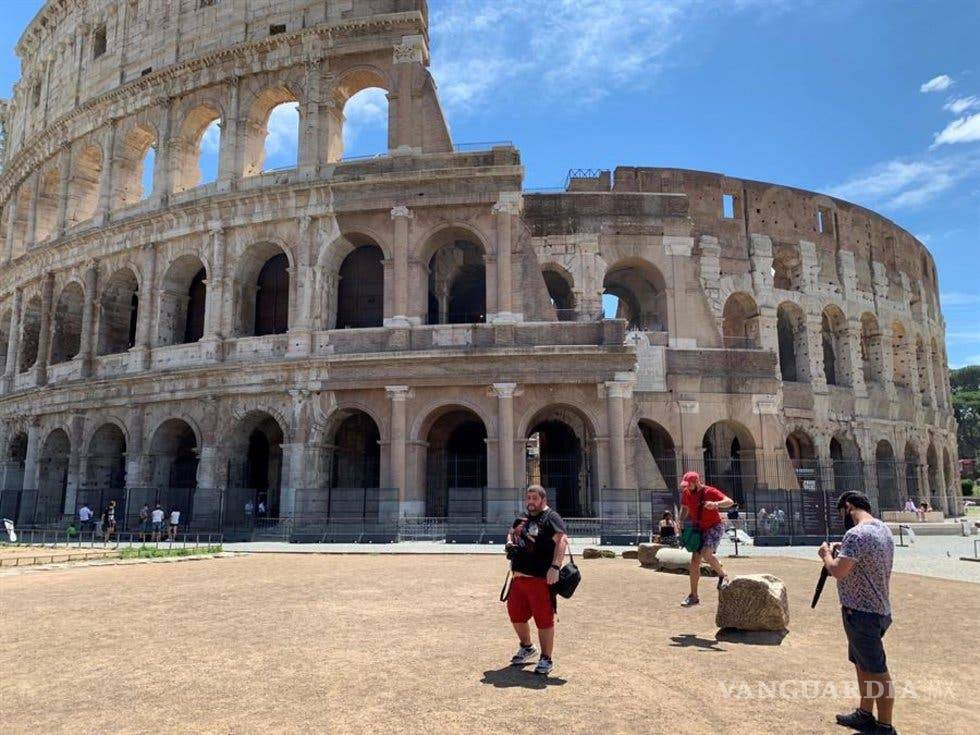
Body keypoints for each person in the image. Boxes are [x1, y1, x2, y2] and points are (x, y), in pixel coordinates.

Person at [819, 491, 896, 735]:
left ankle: (885, 726)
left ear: (848, 507)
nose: (843, 518)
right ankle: (865, 713)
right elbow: (864, 560)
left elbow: (838, 571)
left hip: (861, 613)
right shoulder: (883, 530)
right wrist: (844, 551)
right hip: (879, 608)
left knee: (877, 671)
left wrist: (826, 555)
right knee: (863, 665)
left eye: (842, 512)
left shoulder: (855, 534)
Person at [504, 485, 568, 676]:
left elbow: (562, 540)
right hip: (518, 579)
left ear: (543, 500)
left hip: (540, 579)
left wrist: (555, 567)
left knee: (544, 620)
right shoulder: (522, 518)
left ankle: (546, 658)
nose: (530, 502)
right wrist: (509, 542)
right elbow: (511, 531)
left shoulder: (551, 517)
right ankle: (527, 647)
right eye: (528, 498)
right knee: (515, 615)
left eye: (534, 498)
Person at [677, 471, 733, 607]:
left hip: (714, 526)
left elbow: (729, 502)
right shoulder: (686, 493)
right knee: (695, 561)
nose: (686, 488)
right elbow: (684, 508)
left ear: (696, 482)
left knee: (707, 554)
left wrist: (716, 504)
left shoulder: (710, 491)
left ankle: (723, 575)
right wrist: (681, 520)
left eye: (688, 485)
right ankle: (693, 596)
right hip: (699, 529)